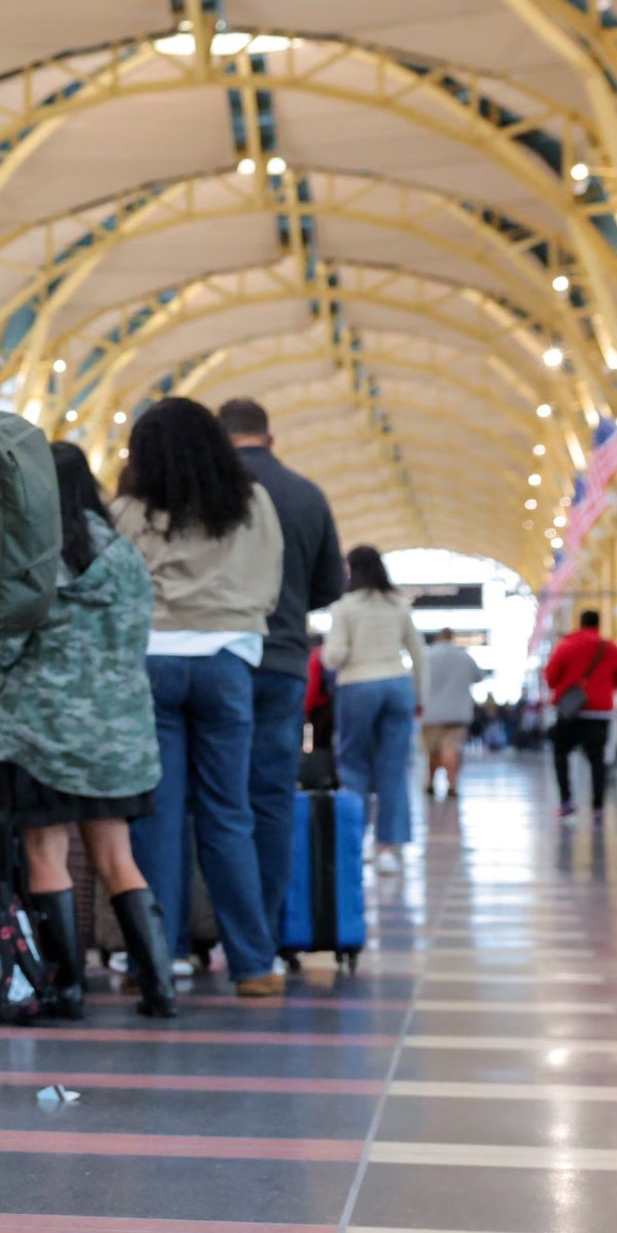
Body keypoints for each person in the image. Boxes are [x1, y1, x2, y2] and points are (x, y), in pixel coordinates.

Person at [0, 444, 171, 1018]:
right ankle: (159, 986)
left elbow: (2, 647)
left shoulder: (31, 554)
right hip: (115, 736)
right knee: (116, 857)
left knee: (46, 852)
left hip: (40, 735)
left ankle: (68, 989)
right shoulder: (125, 556)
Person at [111, 399, 286, 999]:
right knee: (228, 813)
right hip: (226, 663)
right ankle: (253, 964)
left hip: (151, 662)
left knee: (157, 817)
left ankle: (157, 960)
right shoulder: (252, 504)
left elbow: (115, 586)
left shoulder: (129, 510)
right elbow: (270, 583)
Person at [218, 401, 344, 960]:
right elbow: (330, 585)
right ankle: (262, 937)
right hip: (284, 660)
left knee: (215, 798)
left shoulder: (210, 491)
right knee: (271, 798)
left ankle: (198, 932)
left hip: (219, 656)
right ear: (271, 438)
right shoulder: (306, 495)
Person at [322, 548, 428, 875]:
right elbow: (418, 654)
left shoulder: (345, 607)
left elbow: (334, 655)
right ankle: (388, 849)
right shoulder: (398, 604)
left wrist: (333, 655)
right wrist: (420, 696)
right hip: (397, 685)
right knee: (394, 768)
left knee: (353, 765)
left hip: (358, 685)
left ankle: (354, 841)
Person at [543, 610, 617, 819]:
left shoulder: (566, 646)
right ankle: (598, 805)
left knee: (561, 754)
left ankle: (566, 801)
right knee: (597, 759)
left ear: (580, 623)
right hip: (599, 714)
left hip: (570, 713)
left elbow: (551, 678)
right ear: (599, 624)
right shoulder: (611, 648)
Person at [419, 629, 487, 800]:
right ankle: (452, 784)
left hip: (430, 713)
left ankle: (430, 783)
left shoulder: (427, 656)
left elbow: (415, 679)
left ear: (437, 638)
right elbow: (479, 677)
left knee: (432, 751)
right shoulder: (464, 657)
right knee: (451, 748)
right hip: (457, 713)